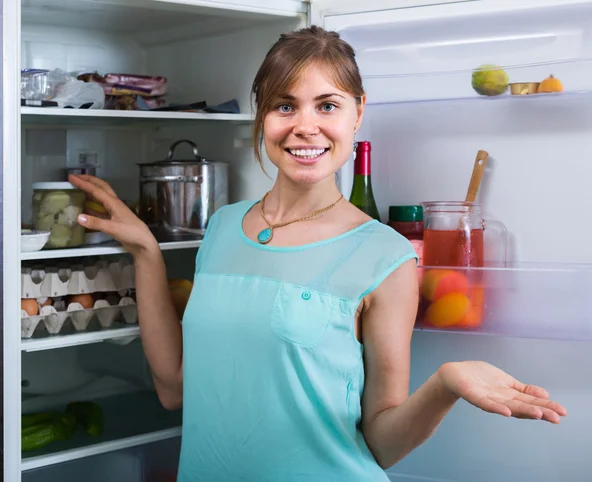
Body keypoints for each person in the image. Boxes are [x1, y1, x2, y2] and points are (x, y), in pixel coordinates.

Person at [69, 26, 566, 481]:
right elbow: (174, 387)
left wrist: (446, 383)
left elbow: (382, 444)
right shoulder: (222, 227)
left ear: (358, 113)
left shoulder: (385, 256)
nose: (305, 126)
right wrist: (146, 253)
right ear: (262, 114)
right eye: (285, 105)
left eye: (327, 106)